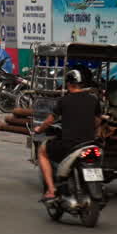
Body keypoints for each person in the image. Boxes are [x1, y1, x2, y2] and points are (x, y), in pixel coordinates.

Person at [33, 70, 104, 200]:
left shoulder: (64, 100)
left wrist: (39, 129)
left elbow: (50, 120)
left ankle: (51, 189)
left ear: (69, 84)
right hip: (90, 143)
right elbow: (98, 121)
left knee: (42, 151)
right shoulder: (94, 100)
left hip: (70, 145)